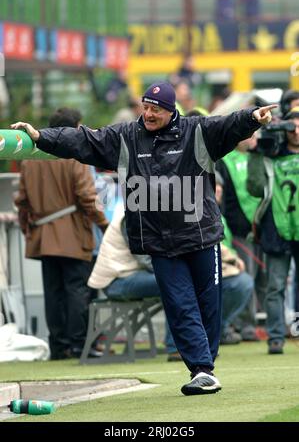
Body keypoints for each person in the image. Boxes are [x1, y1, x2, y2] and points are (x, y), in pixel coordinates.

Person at [11, 81, 276, 395]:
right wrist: (41, 136)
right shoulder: (125, 137)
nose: (148, 114)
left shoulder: (196, 132)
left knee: (209, 306)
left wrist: (252, 118)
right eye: (145, 106)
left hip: (201, 238)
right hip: (159, 243)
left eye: (156, 109)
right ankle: (201, 369)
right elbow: (85, 140)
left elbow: (228, 125)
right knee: (180, 304)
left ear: (170, 110)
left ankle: (206, 362)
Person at [14, 108, 108, 360]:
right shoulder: (73, 156)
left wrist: (28, 229)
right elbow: (88, 197)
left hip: (43, 234)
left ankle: (58, 346)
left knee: (53, 293)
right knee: (77, 289)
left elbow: (21, 200)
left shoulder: (29, 157)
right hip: (73, 232)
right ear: (74, 128)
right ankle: (78, 345)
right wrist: (105, 225)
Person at [88, 203, 180, 361]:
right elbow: (143, 257)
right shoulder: (131, 216)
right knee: (173, 282)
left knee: (176, 281)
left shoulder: (148, 212)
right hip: (116, 282)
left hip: (129, 276)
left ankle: (184, 344)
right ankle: (176, 347)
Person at [247, 105, 299, 354]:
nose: (297, 131)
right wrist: (258, 152)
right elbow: (255, 188)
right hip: (277, 229)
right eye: (293, 126)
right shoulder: (270, 155)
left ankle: (296, 330)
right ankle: (276, 336)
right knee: (275, 285)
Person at [215, 172, 254, 345]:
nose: (218, 190)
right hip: (208, 268)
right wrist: (233, 260)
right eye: (213, 185)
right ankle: (217, 329)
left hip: (220, 267)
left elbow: (225, 245)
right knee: (242, 282)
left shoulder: (219, 215)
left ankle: (221, 328)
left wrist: (233, 259)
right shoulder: (196, 211)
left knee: (245, 282)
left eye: (220, 186)